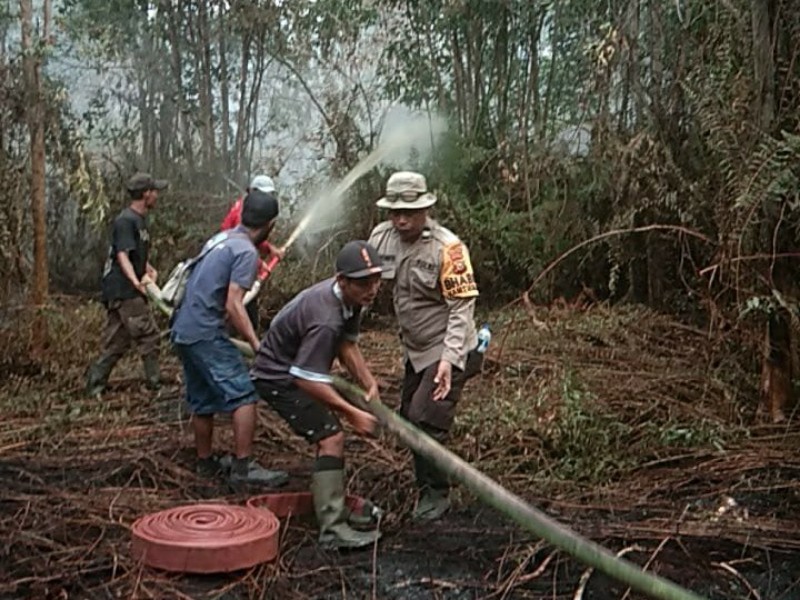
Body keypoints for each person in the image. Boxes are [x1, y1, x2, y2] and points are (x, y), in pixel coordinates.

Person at [250, 240, 387, 549]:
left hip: (295, 370)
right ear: (342, 280)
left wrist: (368, 382)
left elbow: (346, 344)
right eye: (364, 282)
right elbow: (306, 380)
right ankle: (332, 528)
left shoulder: (351, 300)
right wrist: (351, 412)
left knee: (329, 434)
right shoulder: (325, 316)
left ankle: (332, 509)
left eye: (376, 279)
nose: (373, 288)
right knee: (331, 437)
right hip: (278, 379)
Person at [368, 171, 483, 521]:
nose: (402, 220)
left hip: (449, 345)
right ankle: (425, 485)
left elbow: (462, 309)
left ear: (426, 209)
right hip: (415, 349)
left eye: (410, 212)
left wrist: (449, 360)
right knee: (407, 418)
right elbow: (366, 283)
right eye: (395, 212)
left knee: (425, 418)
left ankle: (437, 493)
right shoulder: (380, 238)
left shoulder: (449, 248)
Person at [170, 189, 288, 487]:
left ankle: (205, 462)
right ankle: (243, 469)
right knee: (244, 395)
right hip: (204, 331)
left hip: (184, 330)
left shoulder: (221, 239)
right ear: (270, 224)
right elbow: (234, 304)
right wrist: (257, 344)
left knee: (202, 400)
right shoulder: (246, 252)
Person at [85, 172, 168, 396]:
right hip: (124, 289)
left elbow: (133, 252)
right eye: (154, 191)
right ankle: (154, 384)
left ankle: (95, 383)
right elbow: (121, 255)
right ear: (145, 194)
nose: (157, 195)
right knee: (149, 335)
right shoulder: (126, 220)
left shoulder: (139, 221)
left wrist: (147, 268)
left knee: (117, 342)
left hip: (125, 289)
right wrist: (135, 282)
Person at [220, 174, 284, 331]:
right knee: (235, 312)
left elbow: (255, 237)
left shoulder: (249, 208)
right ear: (252, 191)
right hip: (233, 272)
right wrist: (260, 264)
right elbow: (240, 245)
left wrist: (270, 250)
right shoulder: (242, 213)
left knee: (248, 312)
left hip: (240, 271)